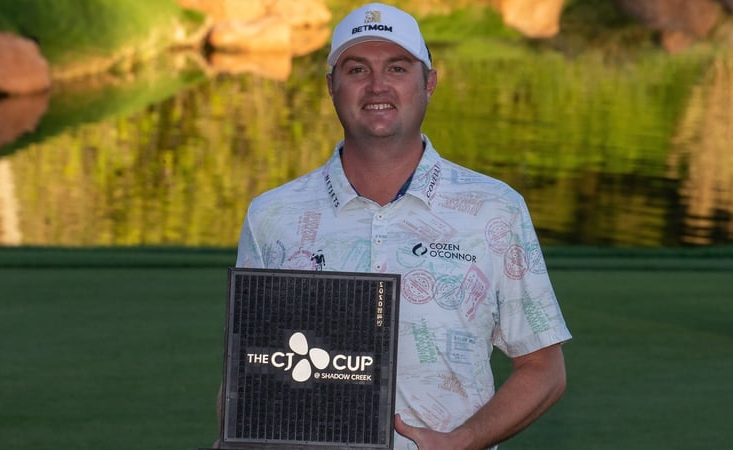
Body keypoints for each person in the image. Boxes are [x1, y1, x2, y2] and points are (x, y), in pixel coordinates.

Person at [232, 3, 572, 449]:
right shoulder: (272, 216)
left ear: (428, 82)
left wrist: (464, 441)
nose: (377, 85)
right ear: (331, 86)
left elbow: (545, 369)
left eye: (397, 67)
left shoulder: (496, 210)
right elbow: (248, 368)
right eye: (356, 69)